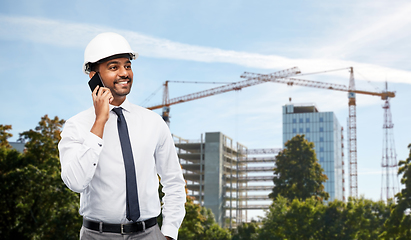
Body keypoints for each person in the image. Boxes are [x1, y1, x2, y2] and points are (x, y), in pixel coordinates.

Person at [58, 32, 186, 240]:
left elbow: (173, 181)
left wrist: (169, 232)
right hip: (97, 235)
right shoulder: (77, 126)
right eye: (113, 67)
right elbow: (75, 182)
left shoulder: (153, 122)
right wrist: (100, 121)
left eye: (127, 66)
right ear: (94, 77)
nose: (124, 73)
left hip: (149, 234)